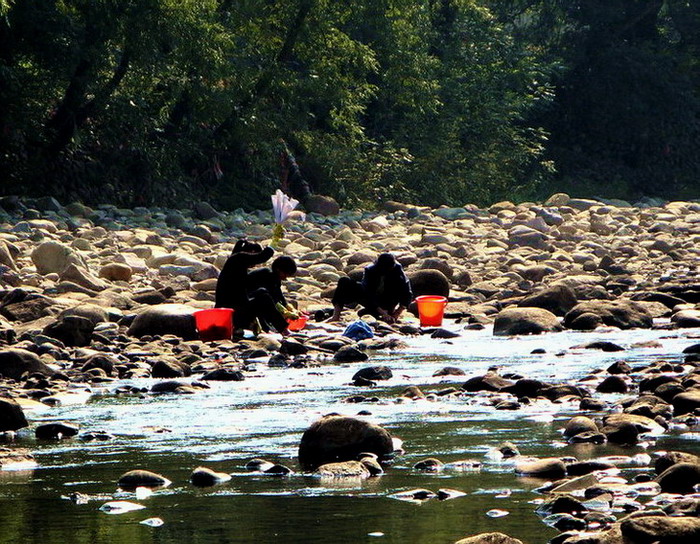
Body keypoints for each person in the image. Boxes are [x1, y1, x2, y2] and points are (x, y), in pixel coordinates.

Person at [215, 240, 289, 336]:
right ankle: (283, 329)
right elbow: (262, 257)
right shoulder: (238, 258)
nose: (254, 265)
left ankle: (273, 328)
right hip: (229, 315)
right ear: (252, 253)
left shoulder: (236, 264)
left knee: (262, 292)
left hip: (233, 311)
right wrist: (274, 243)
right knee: (263, 298)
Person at [329, 253, 412, 323]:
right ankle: (336, 316)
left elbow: (407, 293)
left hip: (389, 301)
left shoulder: (397, 270)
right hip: (372, 299)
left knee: (366, 313)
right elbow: (366, 292)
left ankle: (381, 312)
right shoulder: (371, 269)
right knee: (344, 281)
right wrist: (381, 311)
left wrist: (397, 313)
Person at [247, 255, 299, 329]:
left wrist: (288, 307)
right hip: (247, 301)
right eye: (285, 274)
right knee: (267, 303)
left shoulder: (276, 278)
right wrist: (284, 311)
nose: (285, 277)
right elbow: (271, 297)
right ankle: (268, 327)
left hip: (257, 299)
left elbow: (279, 294)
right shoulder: (266, 274)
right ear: (278, 269)